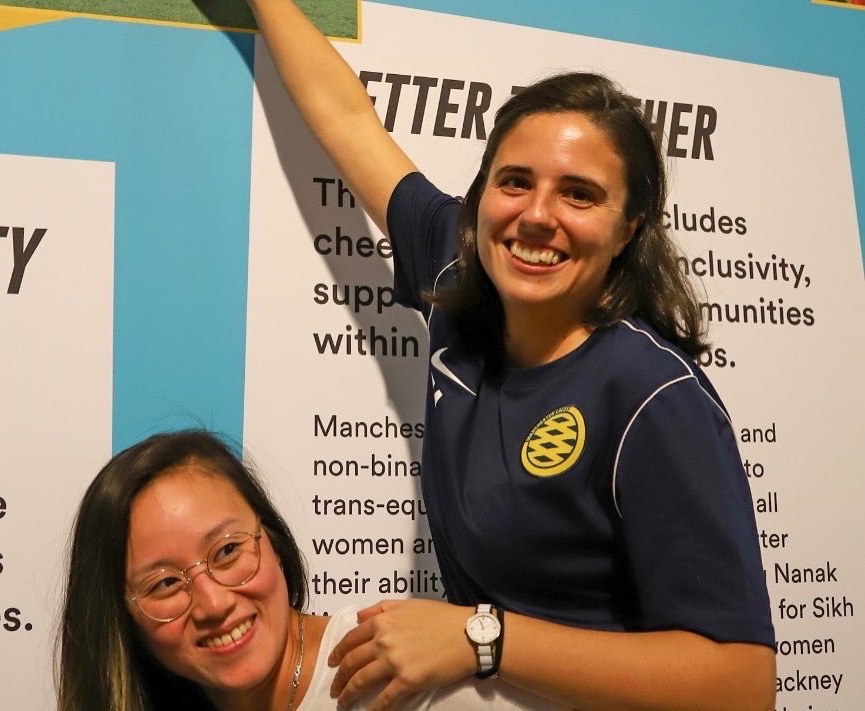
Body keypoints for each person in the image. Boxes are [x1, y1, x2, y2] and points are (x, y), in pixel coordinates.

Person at [241, 1, 777, 709]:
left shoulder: (651, 395)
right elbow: (347, 121)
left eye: (579, 194)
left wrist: (480, 636)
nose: (535, 214)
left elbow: (741, 684)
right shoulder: (461, 278)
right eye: (515, 181)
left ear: (627, 230)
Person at [56, 429, 561, 711]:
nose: (213, 603)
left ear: (271, 541)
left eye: (228, 552)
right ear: (121, 619)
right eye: (165, 584)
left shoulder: (395, 673)